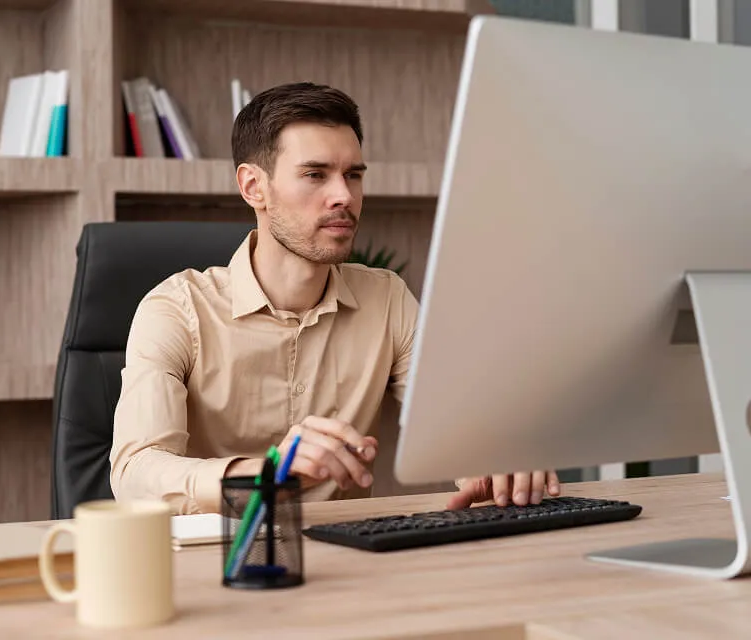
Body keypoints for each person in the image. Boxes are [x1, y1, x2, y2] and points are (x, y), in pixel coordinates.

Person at [108, 81, 559, 515]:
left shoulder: (387, 299)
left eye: (353, 175)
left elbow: (454, 431)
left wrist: (493, 462)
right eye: (315, 175)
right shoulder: (175, 310)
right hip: (214, 566)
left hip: (352, 565)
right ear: (253, 187)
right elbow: (134, 473)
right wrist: (264, 475)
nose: (344, 196)